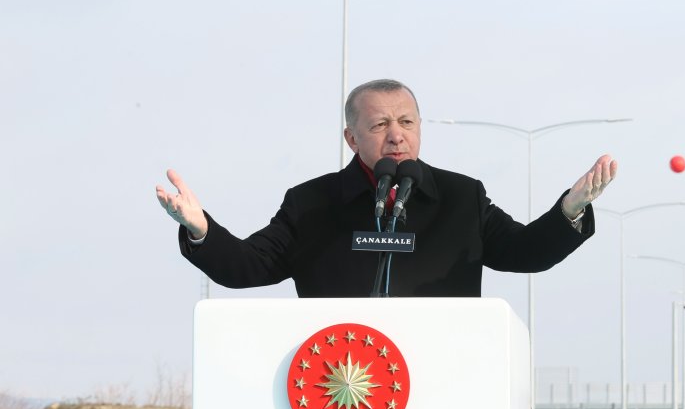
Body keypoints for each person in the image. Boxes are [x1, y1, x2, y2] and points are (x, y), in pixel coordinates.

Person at [155, 79, 617, 297]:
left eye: (407, 122)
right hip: (339, 384)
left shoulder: (462, 198)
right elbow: (246, 266)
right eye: (380, 125)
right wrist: (201, 229)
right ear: (351, 138)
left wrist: (570, 211)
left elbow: (526, 252)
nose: (396, 135)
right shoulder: (311, 204)